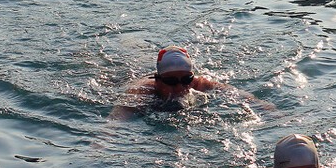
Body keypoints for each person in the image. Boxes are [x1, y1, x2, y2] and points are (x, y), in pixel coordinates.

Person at [110, 46, 274, 119]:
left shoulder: (200, 84)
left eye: (186, 79)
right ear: (158, 80)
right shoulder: (142, 90)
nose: (181, 87)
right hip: (123, 77)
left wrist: (271, 112)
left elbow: (242, 96)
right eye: (172, 81)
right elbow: (116, 120)